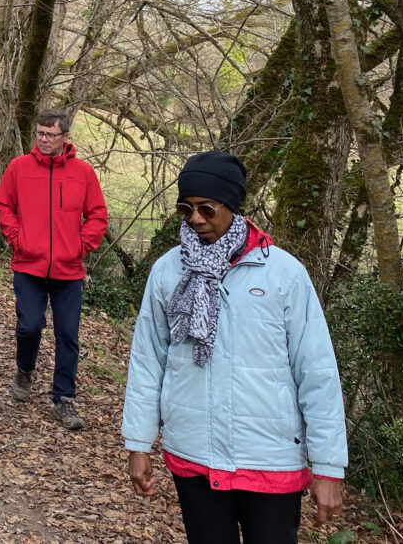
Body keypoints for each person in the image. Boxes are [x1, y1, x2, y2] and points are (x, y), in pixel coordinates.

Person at [122, 150, 347, 543]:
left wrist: (328, 466)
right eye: (186, 209)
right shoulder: (168, 271)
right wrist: (138, 444)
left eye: (206, 208)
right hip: (194, 453)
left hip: (270, 458)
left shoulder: (283, 274)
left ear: (232, 205)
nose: (196, 219)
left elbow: (316, 370)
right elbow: (148, 360)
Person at [0, 109, 108, 430]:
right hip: (29, 264)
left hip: (68, 270)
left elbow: (98, 215)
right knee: (29, 326)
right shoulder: (19, 167)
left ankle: (64, 397)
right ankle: (24, 370)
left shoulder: (83, 173)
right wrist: (17, 238)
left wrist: (80, 246)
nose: (43, 140)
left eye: (50, 135)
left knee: (68, 334)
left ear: (64, 137)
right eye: (40, 133)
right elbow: (2, 205)